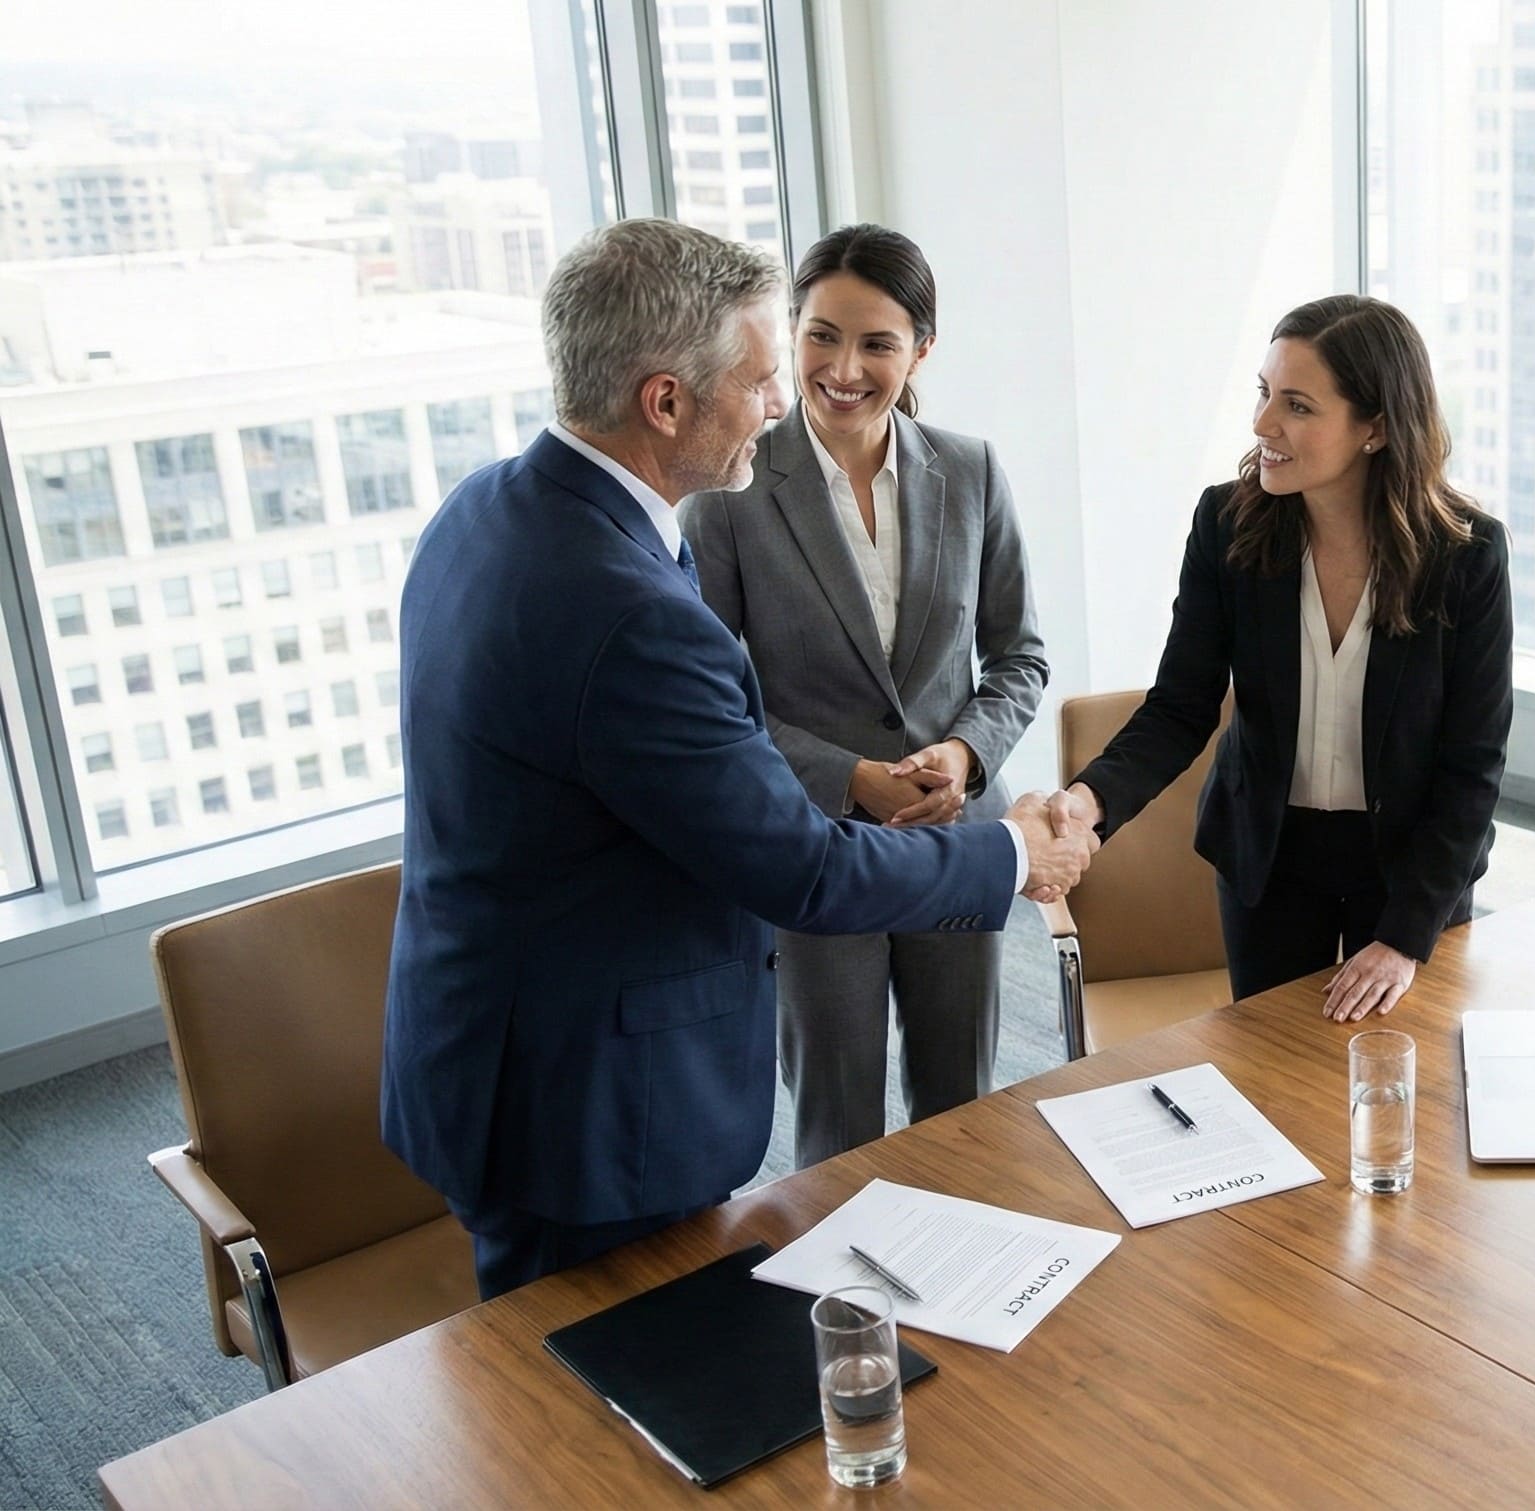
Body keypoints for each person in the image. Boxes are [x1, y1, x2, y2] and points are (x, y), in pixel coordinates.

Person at [381, 219, 1092, 1299]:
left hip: (511, 1044)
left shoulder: (486, 506)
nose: (779, 400)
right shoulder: (629, 609)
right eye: (763, 376)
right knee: (608, 1374)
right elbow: (800, 867)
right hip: (589, 1101)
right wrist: (1017, 853)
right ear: (666, 402)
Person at [682, 225, 1046, 1167]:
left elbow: (1020, 656)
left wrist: (965, 754)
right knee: (836, 1127)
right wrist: (850, 777)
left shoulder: (971, 469)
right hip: (815, 849)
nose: (844, 370)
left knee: (963, 1112)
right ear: (792, 333)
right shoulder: (728, 491)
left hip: (954, 836)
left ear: (920, 350)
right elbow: (715, 701)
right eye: (822, 336)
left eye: (877, 343)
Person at [1047, 294, 1510, 1024]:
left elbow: (1472, 766)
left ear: (1376, 427)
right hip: (1269, 856)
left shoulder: (1465, 555)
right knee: (1268, 1064)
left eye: (1297, 405)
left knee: (1397, 1069)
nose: (1264, 424)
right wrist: (1089, 802)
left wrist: (1403, 938)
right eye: (1264, 393)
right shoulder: (1226, 525)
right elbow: (1180, 706)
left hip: (1413, 864)